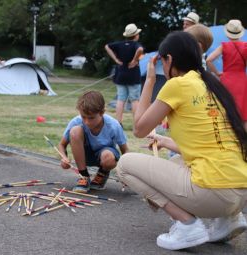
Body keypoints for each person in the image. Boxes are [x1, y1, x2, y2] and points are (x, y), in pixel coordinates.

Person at [116, 31, 247, 250]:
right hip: (241, 191)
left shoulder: (178, 84)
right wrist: (165, 141)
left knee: (125, 165)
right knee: (174, 164)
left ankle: (188, 226)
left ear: (168, 60)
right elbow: (210, 144)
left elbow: (139, 129)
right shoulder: (213, 86)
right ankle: (229, 219)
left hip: (212, 193)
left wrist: (149, 80)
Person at [58, 90, 129, 193]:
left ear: (102, 112)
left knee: (108, 157)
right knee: (75, 131)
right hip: (83, 156)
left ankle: (102, 174)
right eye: (83, 117)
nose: (87, 122)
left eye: (91, 118)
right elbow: (61, 145)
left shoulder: (114, 125)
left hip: (105, 156)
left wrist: (126, 173)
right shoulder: (76, 121)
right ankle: (84, 176)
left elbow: (125, 151)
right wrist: (64, 158)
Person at [206, 19, 247, 131]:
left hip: (227, 79)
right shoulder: (246, 46)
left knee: (226, 110)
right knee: (243, 113)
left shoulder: (224, 46)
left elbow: (208, 60)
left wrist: (217, 73)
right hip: (242, 80)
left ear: (227, 32)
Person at [105, 23, 144, 126]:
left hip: (121, 74)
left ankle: (119, 122)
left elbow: (107, 46)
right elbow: (140, 50)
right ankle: (136, 123)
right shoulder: (136, 44)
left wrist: (116, 59)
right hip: (133, 75)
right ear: (135, 35)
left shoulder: (120, 44)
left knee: (121, 99)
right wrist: (135, 60)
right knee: (135, 100)